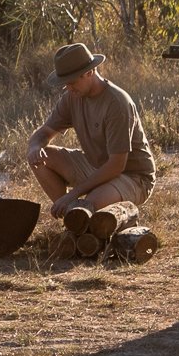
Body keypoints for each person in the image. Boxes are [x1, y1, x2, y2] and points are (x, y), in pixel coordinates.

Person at [24, 42, 158, 258]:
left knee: (87, 204)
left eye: (72, 81)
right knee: (42, 157)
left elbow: (117, 165)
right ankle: (75, 221)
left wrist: (74, 195)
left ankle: (82, 221)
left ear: (90, 72)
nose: (68, 88)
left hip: (132, 177)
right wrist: (34, 146)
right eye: (65, 83)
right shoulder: (72, 96)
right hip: (97, 166)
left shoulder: (116, 102)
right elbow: (45, 132)